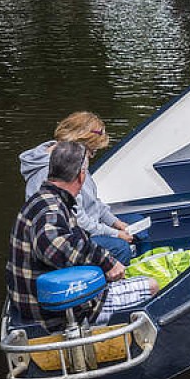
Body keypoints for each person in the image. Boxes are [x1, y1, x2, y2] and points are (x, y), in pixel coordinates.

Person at [7, 141, 158, 332]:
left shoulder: (41, 199)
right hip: (57, 314)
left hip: (34, 305)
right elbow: (55, 245)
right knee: (152, 286)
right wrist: (106, 261)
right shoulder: (51, 210)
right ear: (81, 175)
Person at [19, 111, 134, 265]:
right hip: (74, 236)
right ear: (78, 143)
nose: (92, 156)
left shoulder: (71, 160)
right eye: (92, 151)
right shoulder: (55, 171)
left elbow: (93, 200)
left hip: (88, 227)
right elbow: (78, 222)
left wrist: (114, 222)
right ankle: (112, 280)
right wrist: (115, 234)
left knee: (135, 223)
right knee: (121, 248)